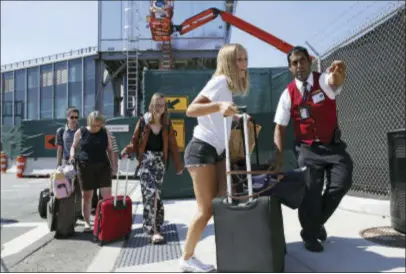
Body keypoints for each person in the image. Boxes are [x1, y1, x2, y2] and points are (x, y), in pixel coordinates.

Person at [273, 46, 353, 252]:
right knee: (311, 194)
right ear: (290, 68)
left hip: (333, 146)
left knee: (341, 183)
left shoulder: (323, 80)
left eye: (302, 61)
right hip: (308, 150)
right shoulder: (288, 94)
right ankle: (309, 236)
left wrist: (340, 72)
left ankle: (315, 224)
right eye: (294, 63)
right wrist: (279, 154)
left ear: (309, 61)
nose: (299, 66)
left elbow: (335, 81)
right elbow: (279, 127)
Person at [179, 43, 249, 272]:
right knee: (206, 209)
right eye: (239, 59)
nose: (244, 63)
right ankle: (186, 258)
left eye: (245, 58)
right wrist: (219, 105)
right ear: (228, 61)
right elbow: (191, 109)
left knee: (224, 201)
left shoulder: (226, 87)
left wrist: (234, 118)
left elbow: (219, 119)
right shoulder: (219, 82)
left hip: (218, 151)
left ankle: (232, 249)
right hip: (202, 149)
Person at [121, 93, 183, 244]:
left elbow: (173, 146)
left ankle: (156, 225)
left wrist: (178, 165)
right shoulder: (144, 121)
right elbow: (135, 141)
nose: (160, 108)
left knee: (157, 196)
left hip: (160, 162)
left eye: (163, 105)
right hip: (146, 162)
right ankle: (153, 229)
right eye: (157, 105)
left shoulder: (167, 123)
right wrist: (127, 150)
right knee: (151, 194)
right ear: (152, 105)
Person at [69, 111, 117, 232]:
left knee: (107, 195)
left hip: (103, 166)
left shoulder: (105, 131)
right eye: (95, 125)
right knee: (87, 195)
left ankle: (107, 220)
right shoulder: (81, 131)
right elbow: (73, 146)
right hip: (85, 166)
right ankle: (87, 223)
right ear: (90, 122)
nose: (97, 127)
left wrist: (114, 166)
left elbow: (110, 150)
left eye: (99, 125)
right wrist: (72, 156)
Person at [55, 106, 82, 220]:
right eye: (72, 117)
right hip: (67, 163)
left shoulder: (81, 130)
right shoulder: (61, 131)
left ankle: (78, 212)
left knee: (79, 188)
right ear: (67, 118)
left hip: (80, 162)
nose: (74, 119)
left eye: (76, 117)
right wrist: (58, 164)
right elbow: (60, 148)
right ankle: (67, 212)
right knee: (66, 188)